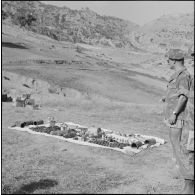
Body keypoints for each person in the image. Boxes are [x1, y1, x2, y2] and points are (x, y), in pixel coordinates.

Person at [161, 49, 193, 194]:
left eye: (168, 59)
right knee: (177, 149)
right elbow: (177, 94)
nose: (167, 62)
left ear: (174, 60)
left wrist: (174, 113)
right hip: (175, 118)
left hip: (178, 119)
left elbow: (183, 97)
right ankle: (186, 178)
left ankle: (189, 184)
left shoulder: (183, 75)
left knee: (181, 151)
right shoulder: (178, 75)